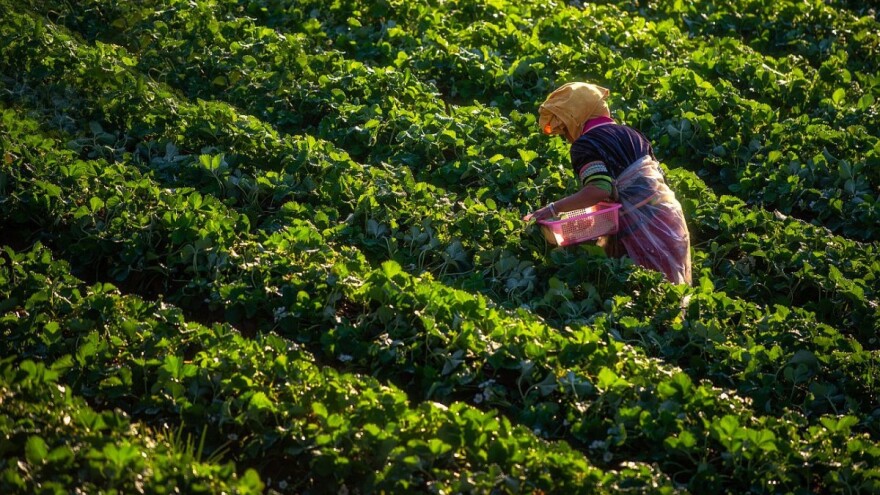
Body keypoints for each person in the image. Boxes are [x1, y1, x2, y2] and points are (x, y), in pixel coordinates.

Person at [523, 82, 692, 285]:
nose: (567, 136)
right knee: (672, 291)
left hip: (640, 226)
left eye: (565, 127)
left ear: (577, 117)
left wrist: (552, 209)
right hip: (667, 215)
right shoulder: (632, 134)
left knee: (646, 291)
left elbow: (598, 190)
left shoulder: (586, 144)